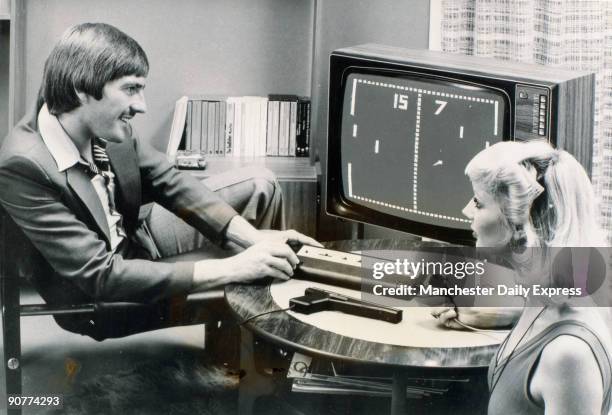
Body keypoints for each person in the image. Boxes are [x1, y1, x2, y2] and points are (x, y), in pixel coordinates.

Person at [0, 23, 320, 341]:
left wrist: (255, 241)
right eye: (130, 89)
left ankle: (235, 344)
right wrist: (238, 267)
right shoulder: (23, 165)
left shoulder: (104, 121)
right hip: (103, 291)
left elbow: (170, 181)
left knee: (259, 185)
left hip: (138, 236)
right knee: (249, 271)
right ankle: (258, 354)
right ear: (80, 89)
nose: (142, 106)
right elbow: (102, 275)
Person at [432, 140, 611, 414]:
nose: (467, 211)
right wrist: (487, 318)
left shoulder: (568, 356)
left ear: (520, 224)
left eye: (479, 203)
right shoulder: (544, 299)